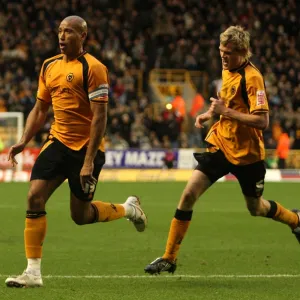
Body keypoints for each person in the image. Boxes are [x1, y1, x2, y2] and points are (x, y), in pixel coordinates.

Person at [144, 26, 300, 275]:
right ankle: (169, 258)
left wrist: (225, 112)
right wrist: (209, 114)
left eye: (228, 53)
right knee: (187, 196)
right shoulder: (227, 69)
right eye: (221, 51)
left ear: (243, 52)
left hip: (248, 156)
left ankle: (295, 220)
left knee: (255, 208)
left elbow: (262, 121)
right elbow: (226, 104)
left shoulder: (253, 78)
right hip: (221, 145)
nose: (223, 57)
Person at [5, 16, 147, 288]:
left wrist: (89, 162)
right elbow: (40, 108)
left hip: (86, 148)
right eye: (59, 31)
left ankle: (128, 209)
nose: (61, 36)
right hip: (57, 141)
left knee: (80, 216)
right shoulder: (49, 66)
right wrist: (24, 140)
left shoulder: (94, 68)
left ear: (82, 35)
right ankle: (33, 273)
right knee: (34, 196)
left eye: (68, 31)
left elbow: (100, 118)